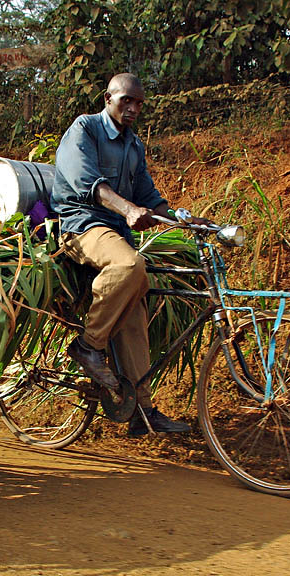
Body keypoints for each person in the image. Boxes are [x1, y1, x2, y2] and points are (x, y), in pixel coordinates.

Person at [50, 73, 205, 436]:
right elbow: (91, 185)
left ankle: (142, 413)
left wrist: (189, 220)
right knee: (129, 264)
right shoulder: (84, 130)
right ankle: (88, 346)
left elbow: (150, 198)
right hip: (80, 225)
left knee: (134, 315)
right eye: (126, 101)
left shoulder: (134, 145)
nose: (133, 108)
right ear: (108, 98)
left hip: (115, 232)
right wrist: (127, 209)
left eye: (139, 103)